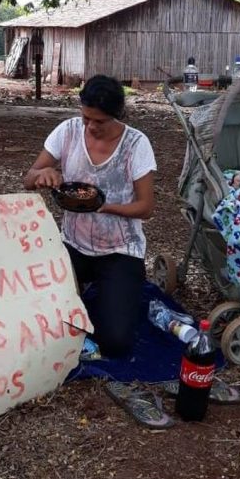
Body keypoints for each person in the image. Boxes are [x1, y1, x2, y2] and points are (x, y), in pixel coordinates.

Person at [24, 75, 156, 358]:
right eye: (86, 118)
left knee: (116, 343)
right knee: (38, 322)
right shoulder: (68, 131)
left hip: (120, 250)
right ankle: (85, 296)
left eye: (99, 122)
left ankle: (105, 295)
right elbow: (28, 178)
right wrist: (43, 174)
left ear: (117, 115)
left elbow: (146, 207)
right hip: (73, 244)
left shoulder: (136, 144)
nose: (91, 127)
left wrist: (103, 207)